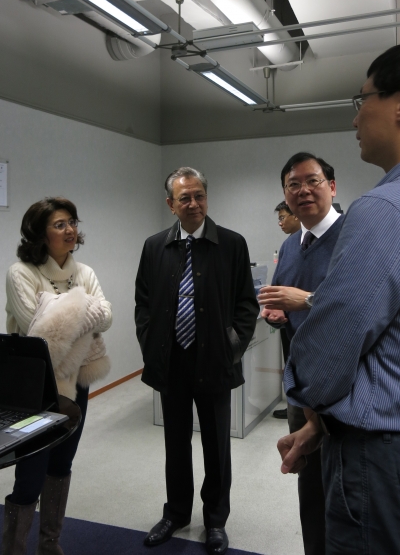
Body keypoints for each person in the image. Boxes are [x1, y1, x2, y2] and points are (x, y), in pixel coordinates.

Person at [278, 38, 400, 555]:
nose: (355, 118)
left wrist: (308, 397)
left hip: (390, 462)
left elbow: (328, 349)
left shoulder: (387, 209)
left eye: (363, 99)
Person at [135, 167, 258, 555]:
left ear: (207, 197)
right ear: (170, 204)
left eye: (199, 195)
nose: (193, 204)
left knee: (217, 445)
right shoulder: (155, 246)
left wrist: (232, 347)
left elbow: (246, 304)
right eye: (184, 198)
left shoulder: (232, 244)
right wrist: (150, 344)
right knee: (175, 443)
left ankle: (215, 520)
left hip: (215, 361)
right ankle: (176, 513)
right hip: (171, 361)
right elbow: (143, 303)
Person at [4, 197, 112, 555]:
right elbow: (38, 334)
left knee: (62, 463)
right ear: (39, 233)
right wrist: (83, 309)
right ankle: (14, 550)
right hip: (36, 386)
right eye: (60, 224)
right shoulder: (21, 273)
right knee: (30, 472)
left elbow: (107, 318)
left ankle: (50, 545)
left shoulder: (85, 272)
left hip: (76, 382)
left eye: (72, 222)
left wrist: (58, 310)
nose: (70, 230)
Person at [259, 154, 344, 555]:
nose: (303, 190)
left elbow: (364, 307)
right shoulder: (291, 244)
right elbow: (285, 300)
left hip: (344, 389)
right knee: (309, 489)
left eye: (313, 181)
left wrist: (307, 300)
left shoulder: (354, 237)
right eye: (294, 184)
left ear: (332, 186)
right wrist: (277, 313)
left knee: (344, 488)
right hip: (301, 389)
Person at [272, 201, 301, 420]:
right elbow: (278, 283)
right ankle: (293, 405)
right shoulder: (288, 246)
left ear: (296, 215)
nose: (280, 223)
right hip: (288, 323)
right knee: (290, 366)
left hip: (309, 326)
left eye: (283, 217)